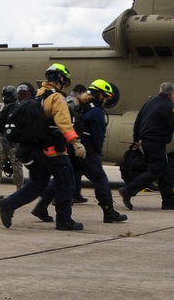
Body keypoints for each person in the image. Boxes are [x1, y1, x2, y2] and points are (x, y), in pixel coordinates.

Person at [0, 63, 86, 231]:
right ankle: (64, 220)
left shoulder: (38, 96)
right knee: (67, 181)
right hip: (54, 151)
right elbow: (63, 122)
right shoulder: (57, 98)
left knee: (37, 183)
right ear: (61, 79)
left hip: (37, 152)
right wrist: (76, 142)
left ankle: (9, 204)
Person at [31, 79, 128, 224]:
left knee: (60, 178)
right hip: (87, 151)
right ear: (100, 95)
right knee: (100, 179)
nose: (106, 100)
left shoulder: (79, 106)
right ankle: (109, 212)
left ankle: (41, 206)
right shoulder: (97, 111)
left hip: (72, 148)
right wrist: (97, 152)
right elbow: (98, 136)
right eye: (106, 97)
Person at [120, 81, 174, 211]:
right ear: (172, 94)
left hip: (147, 142)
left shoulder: (149, 103)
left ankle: (169, 202)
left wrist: (136, 139)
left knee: (165, 172)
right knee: (155, 170)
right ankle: (128, 190)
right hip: (156, 143)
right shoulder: (168, 107)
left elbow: (138, 121)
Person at [0, 85, 24, 196]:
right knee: (16, 165)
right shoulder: (19, 108)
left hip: (2, 140)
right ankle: (18, 188)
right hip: (11, 141)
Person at [66, 84, 89, 203]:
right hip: (70, 140)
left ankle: (76, 194)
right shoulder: (72, 102)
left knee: (76, 169)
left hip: (71, 139)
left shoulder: (73, 102)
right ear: (80, 92)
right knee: (71, 169)